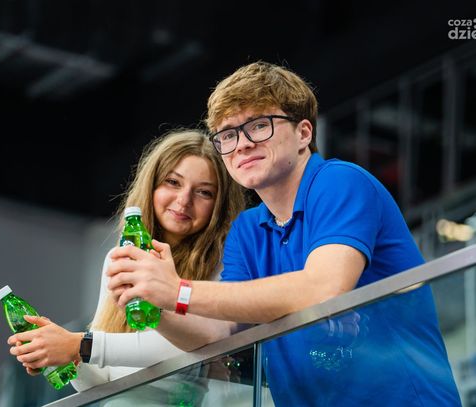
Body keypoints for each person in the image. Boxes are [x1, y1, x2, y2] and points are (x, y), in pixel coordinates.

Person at [107, 62, 462, 406]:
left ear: (303, 133)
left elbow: (325, 287)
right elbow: (221, 332)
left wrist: (178, 290)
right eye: (227, 135)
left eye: (259, 126)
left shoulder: (339, 181)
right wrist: (157, 302)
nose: (242, 144)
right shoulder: (246, 229)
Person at [6, 128, 246, 397]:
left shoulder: (226, 261)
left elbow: (192, 344)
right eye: (173, 182)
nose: (184, 200)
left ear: (219, 205)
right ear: (151, 184)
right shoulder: (118, 257)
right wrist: (69, 357)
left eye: (204, 192)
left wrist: (79, 345)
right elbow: (100, 382)